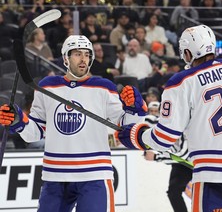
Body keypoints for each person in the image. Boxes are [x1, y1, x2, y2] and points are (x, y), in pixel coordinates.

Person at [115, 25, 222, 211]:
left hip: (214, 172)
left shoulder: (180, 82)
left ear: (187, 54)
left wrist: (136, 135)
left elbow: (164, 139)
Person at [0, 35, 147, 212]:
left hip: (94, 174)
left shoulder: (103, 87)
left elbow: (124, 126)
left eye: (87, 54)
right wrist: (19, 121)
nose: (83, 58)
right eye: (77, 54)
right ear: (65, 58)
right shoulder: (47, 86)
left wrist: (134, 109)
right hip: (55, 175)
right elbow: (36, 132)